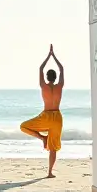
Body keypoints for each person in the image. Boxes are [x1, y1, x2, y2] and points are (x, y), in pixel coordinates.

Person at [20, 45, 65, 178]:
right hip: (57, 117)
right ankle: (50, 172)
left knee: (23, 126)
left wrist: (48, 56)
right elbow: (61, 68)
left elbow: (40, 68)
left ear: (46, 77)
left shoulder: (43, 86)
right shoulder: (60, 86)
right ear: (56, 78)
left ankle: (42, 137)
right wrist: (54, 56)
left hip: (46, 115)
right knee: (53, 148)